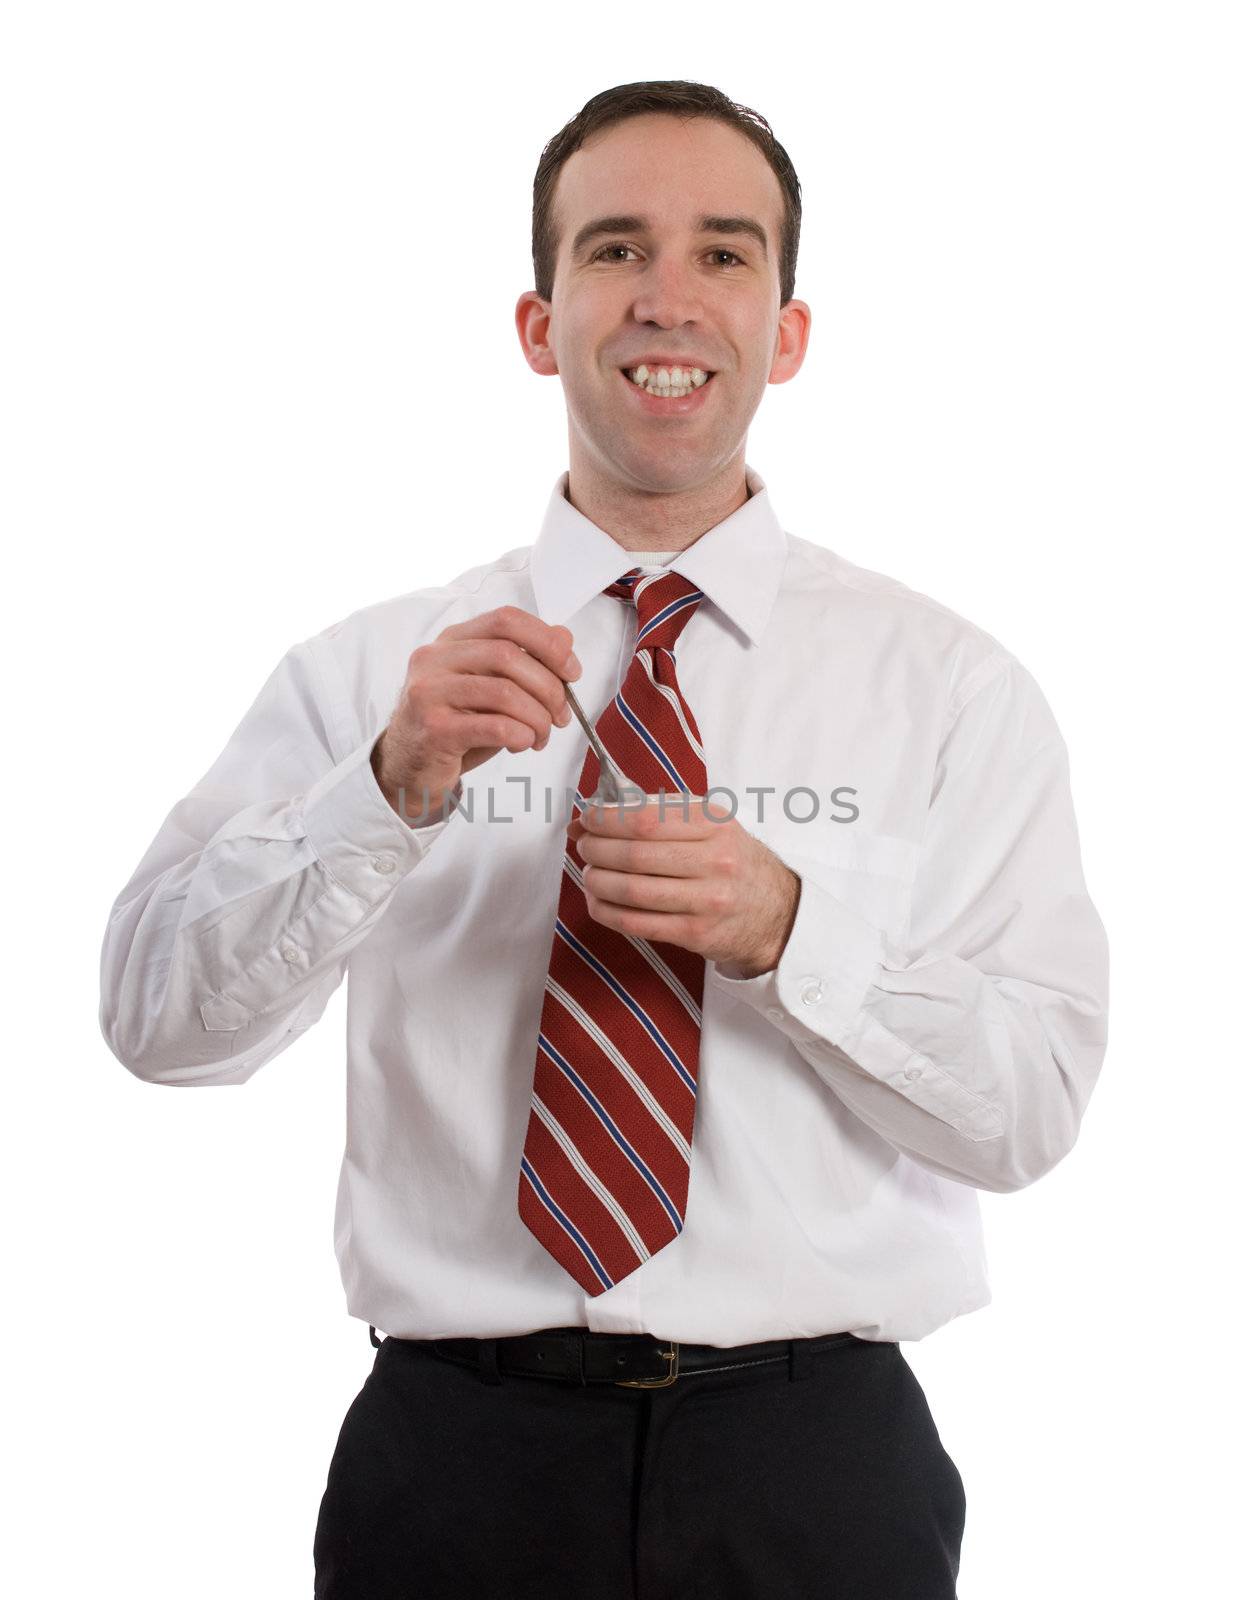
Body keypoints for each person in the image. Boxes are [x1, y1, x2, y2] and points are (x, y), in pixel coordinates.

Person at [99, 79, 1110, 1600]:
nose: (665, 296)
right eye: (614, 247)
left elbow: (1026, 1114)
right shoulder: (373, 670)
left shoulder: (950, 689)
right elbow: (156, 1025)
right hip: (454, 1457)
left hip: (815, 1468)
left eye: (723, 254)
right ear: (537, 319)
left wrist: (789, 933)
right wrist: (383, 787)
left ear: (785, 331)